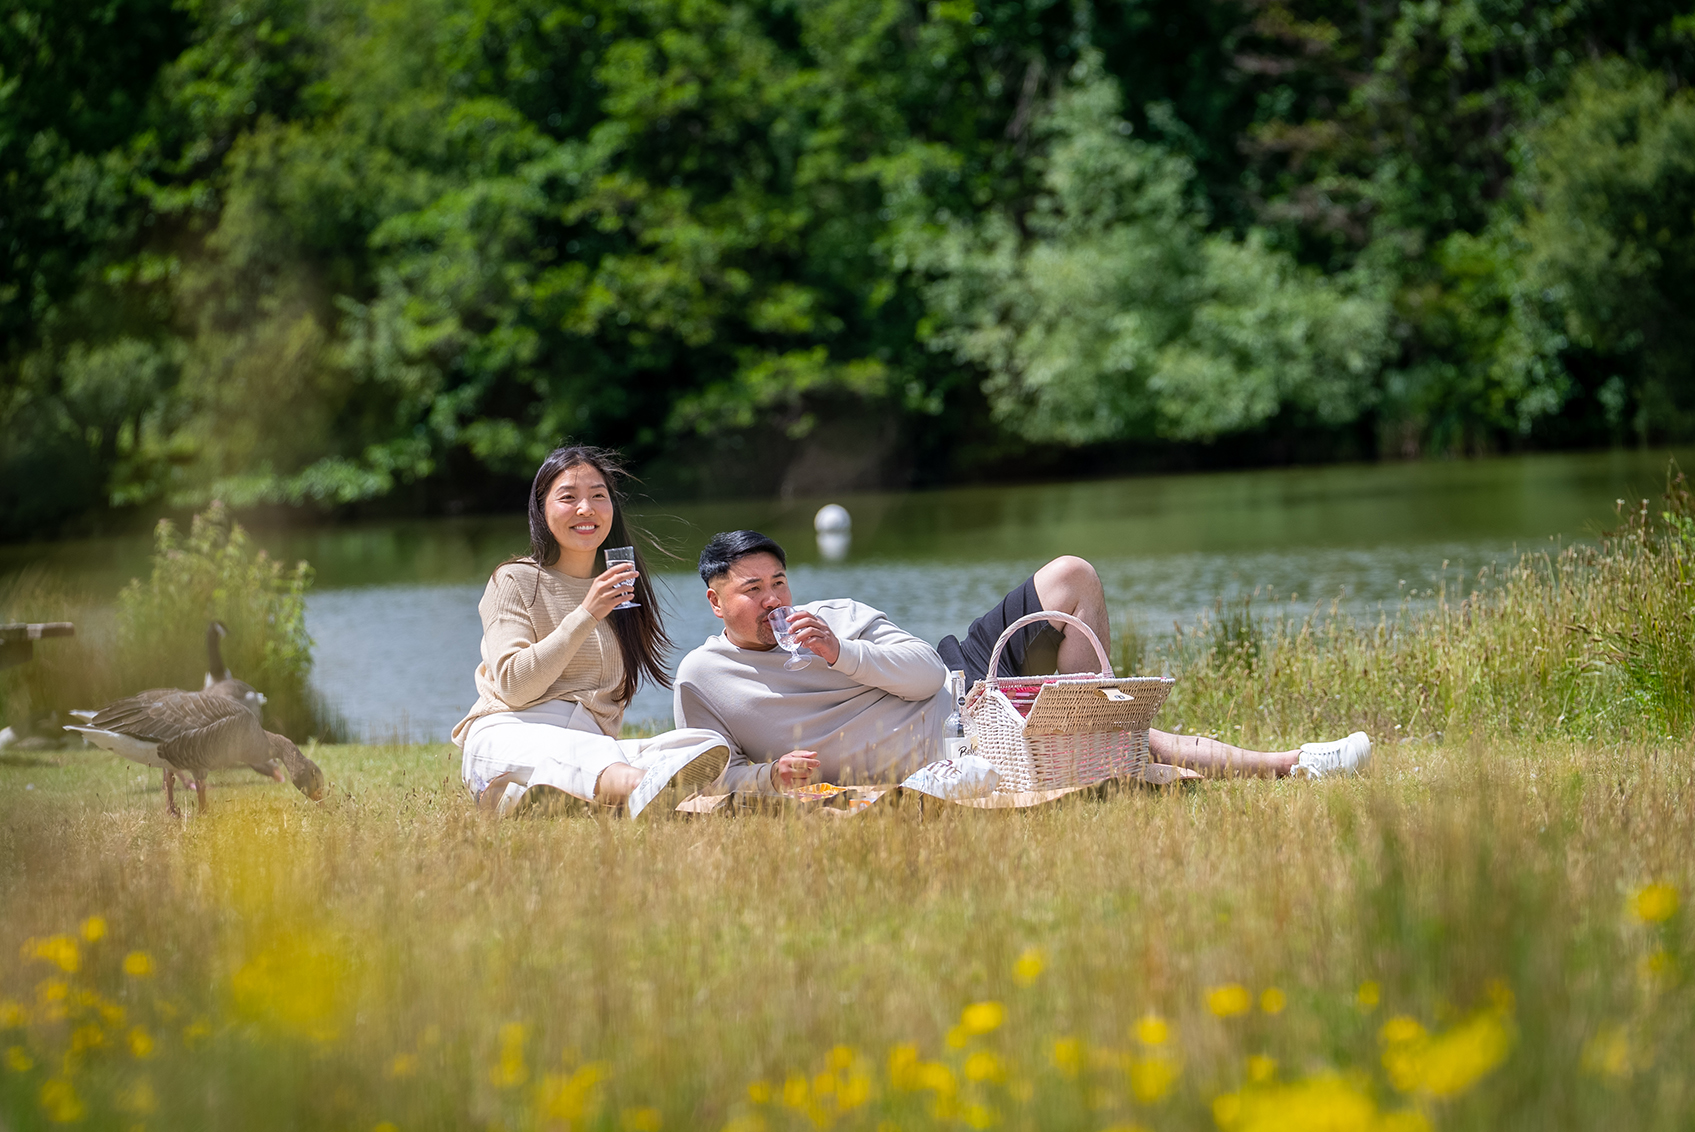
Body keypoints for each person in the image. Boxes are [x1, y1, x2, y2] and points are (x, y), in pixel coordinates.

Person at [672, 530, 1370, 793]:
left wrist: (838, 650)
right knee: (1121, 739)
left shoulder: (834, 617)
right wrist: (769, 778)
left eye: (778, 583)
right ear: (714, 601)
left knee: (1071, 574)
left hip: (955, 679)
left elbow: (918, 670)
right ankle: (1290, 764)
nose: (772, 600)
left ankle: (1084, 735)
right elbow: (709, 770)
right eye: (751, 589)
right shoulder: (705, 679)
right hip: (948, 740)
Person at [452, 447, 730, 818]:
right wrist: (586, 613)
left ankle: (553, 798)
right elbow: (514, 688)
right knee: (578, 754)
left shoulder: (622, 588)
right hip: (511, 733)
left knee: (704, 743)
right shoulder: (515, 580)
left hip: (591, 744)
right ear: (541, 508)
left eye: (598, 496)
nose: (586, 508)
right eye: (568, 497)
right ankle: (637, 787)